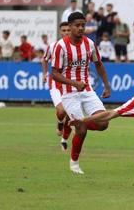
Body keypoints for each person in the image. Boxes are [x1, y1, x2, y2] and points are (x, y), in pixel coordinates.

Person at [51, 12, 111, 174]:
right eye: (77, 25)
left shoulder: (90, 44)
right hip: (69, 93)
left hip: (87, 90)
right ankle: (74, 163)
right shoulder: (60, 46)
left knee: (104, 123)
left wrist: (106, 85)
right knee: (82, 131)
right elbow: (54, 73)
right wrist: (74, 83)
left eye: (83, 25)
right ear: (69, 27)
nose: (80, 28)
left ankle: (77, 122)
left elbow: (98, 64)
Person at [42, 22, 72, 151]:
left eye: (68, 30)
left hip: (71, 83)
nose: (66, 32)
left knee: (71, 114)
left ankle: (64, 140)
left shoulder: (77, 46)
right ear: (60, 32)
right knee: (61, 110)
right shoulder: (53, 46)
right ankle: (60, 122)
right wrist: (44, 73)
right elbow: (44, 59)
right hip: (56, 82)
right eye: (64, 30)